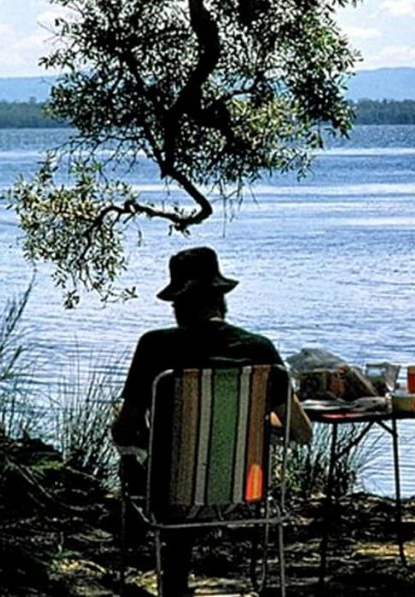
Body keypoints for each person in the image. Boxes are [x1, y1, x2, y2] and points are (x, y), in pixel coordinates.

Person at [112, 246, 312, 596]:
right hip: (246, 492)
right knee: (199, 464)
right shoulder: (261, 350)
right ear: (222, 299)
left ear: (178, 305)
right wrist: (253, 423)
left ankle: (169, 583)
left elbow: (123, 431)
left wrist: (138, 432)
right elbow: (302, 432)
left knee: (159, 469)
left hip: (170, 494)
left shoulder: (155, 346)